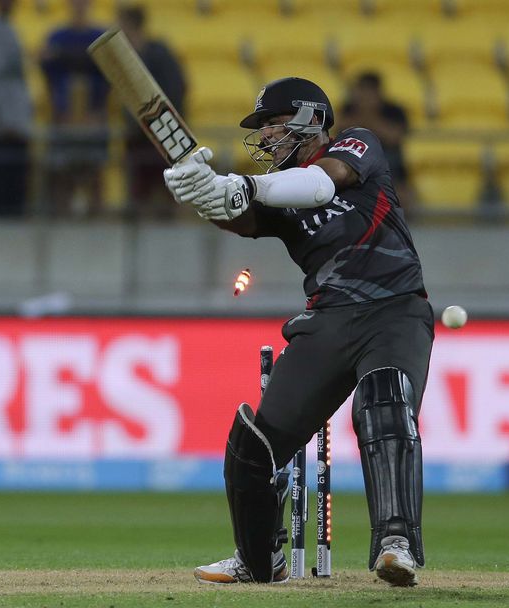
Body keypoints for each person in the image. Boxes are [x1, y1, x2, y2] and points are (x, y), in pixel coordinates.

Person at [164, 77, 434, 587]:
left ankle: (395, 545)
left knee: (383, 403)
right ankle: (259, 560)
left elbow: (324, 182)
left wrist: (243, 185)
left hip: (394, 310)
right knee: (253, 447)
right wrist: (202, 192)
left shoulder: (357, 144)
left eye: (272, 124)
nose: (265, 137)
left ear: (310, 118)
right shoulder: (279, 190)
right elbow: (239, 215)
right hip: (328, 320)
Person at [118, 4, 187, 221]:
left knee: (168, 195)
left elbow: (177, 89)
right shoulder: (127, 59)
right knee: (138, 196)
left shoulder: (159, 53)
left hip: (163, 137)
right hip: (138, 136)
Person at [40, 0, 108, 217]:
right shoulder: (57, 37)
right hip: (64, 117)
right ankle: (62, 222)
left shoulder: (99, 36)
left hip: (94, 117)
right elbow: (48, 76)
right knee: (61, 174)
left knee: (95, 173)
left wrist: (96, 112)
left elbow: (110, 78)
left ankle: (98, 223)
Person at [0, 0, 33, 217]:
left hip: (16, 115)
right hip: (2, 118)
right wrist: (4, 119)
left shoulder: (10, 27)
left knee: (15, 176)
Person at [335, 71, 413, 212]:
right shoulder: (347, 108)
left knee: (402, 197)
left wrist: (367, 116)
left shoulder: (394, 110)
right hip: (355, 161)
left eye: (369, 91)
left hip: (389, 164)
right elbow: (340, 131)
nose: (365, 96)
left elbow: (394, 138)